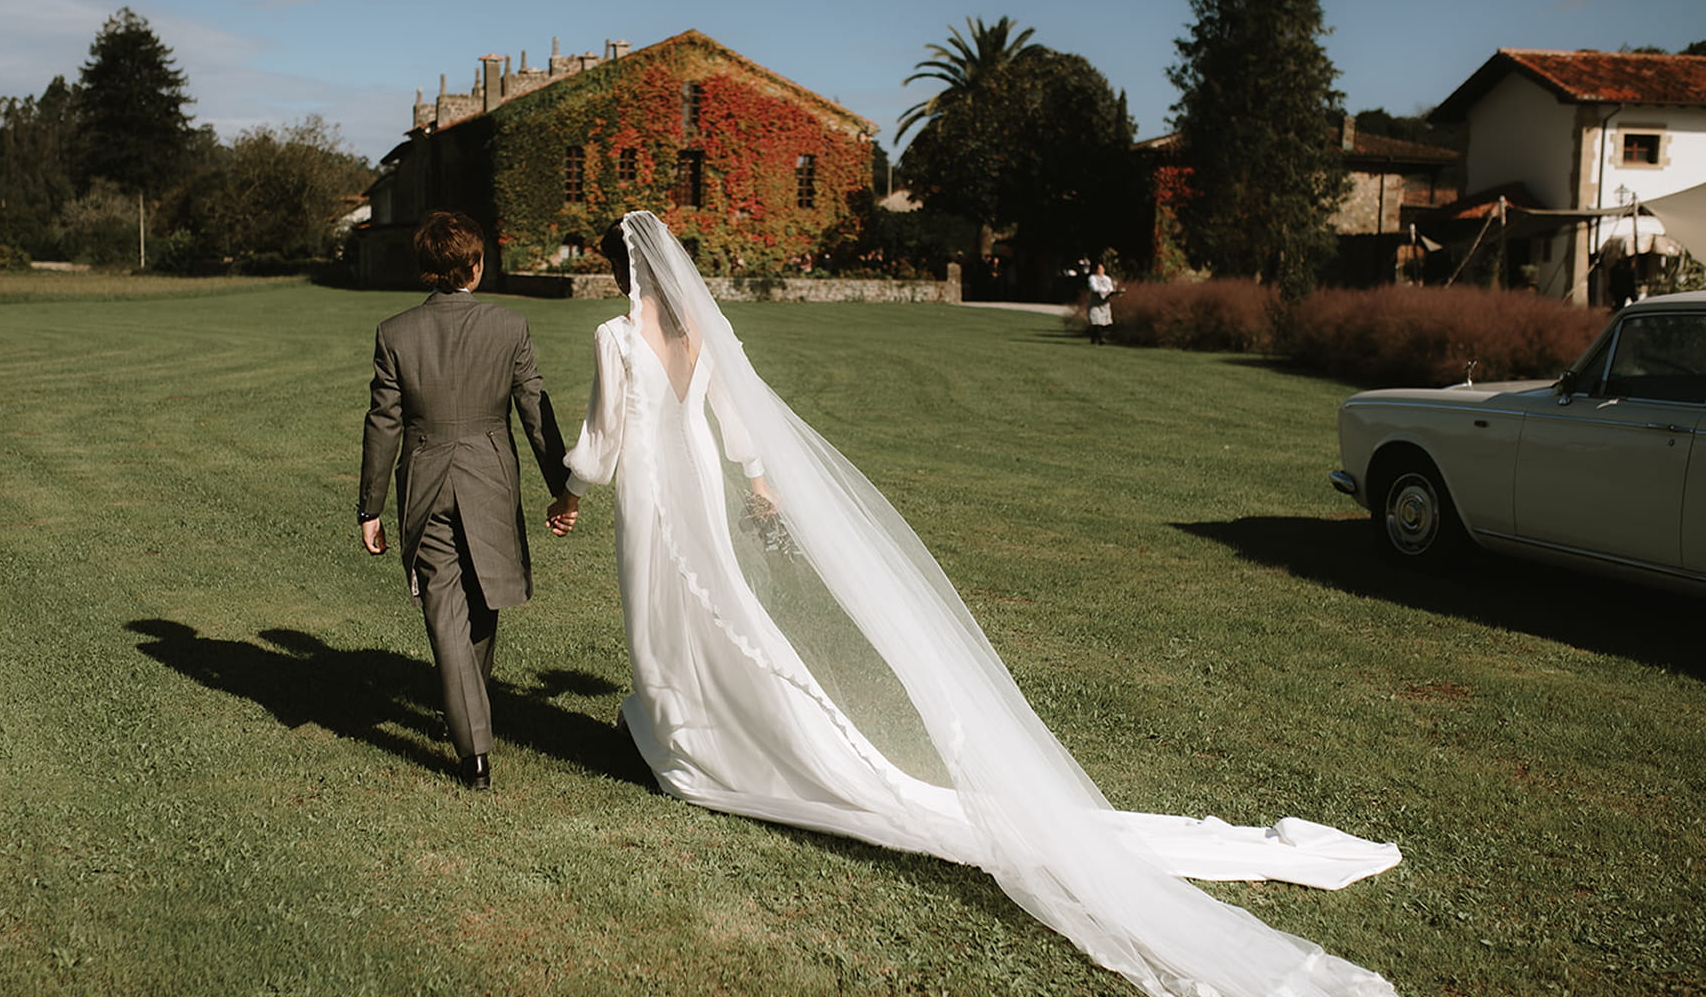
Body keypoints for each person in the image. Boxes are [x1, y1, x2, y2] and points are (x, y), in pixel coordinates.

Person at [563, 211, 1400, 997]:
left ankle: (684, 737)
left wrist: (568, 484)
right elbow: (738, 418)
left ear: (618, 270)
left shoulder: (612, 335)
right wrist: (753, 479)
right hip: (701, 484)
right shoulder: (702, 331)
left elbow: (603, 444)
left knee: (672, 609)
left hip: (652, 494)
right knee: (719, 609)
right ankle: (689, 723)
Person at [357, 210, 579, 791]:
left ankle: (470, 724)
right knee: (473, 607)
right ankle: (474, 742)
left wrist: (370, 507)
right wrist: (563, 485)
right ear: (475, 267)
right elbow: (536, 411)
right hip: (490, 477)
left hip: (427, 478)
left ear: (427, 269)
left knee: (450, 608)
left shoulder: (395, 332)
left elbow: (383, 425)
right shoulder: (510, 325)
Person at [1087, 261, 1123, 345]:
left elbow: (1110, 288)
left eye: (1101, 269)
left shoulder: (1107, 279)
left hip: (1104, 304)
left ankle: (1095, 337)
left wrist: (1115, 292)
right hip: (1095, 303)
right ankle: (1100, 339)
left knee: (1105, 322)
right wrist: (1105, 290)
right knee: (1096, 321)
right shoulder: (1092, 278)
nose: (1100, 270)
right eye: (1098, 269)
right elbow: (1094, 288)